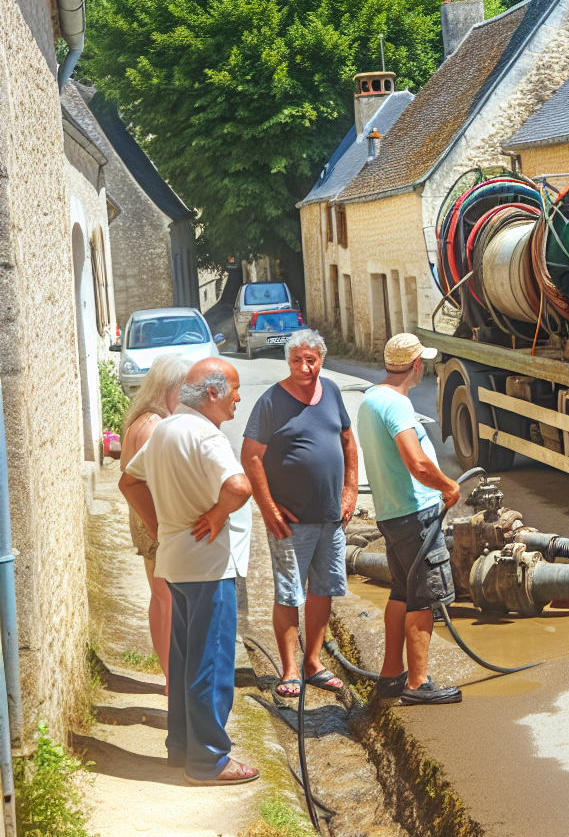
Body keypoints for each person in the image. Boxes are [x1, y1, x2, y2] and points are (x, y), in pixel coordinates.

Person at [119, 358, 259, 784]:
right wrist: (218, 515)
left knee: (183, 662)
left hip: (176, 563)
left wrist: (159, 526)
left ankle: (181, 748)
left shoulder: (166, 428)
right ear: (213, 393)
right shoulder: (206, 435)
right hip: (208, 566)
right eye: (234, 389)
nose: (239, 397)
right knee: (211, 662)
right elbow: (240, 486)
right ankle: (209, 761)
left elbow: (129, 482)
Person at [241, 330, 358, 698]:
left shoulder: (333, 392)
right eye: (296, 360)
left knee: (324, 589)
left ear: (321, 359)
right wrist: (268, 508)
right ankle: (290, 669)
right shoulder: (272, 401)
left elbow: (347, 441)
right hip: (290, 522)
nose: (305, 367)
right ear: (287, 362)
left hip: (331, 518)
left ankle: (313, 663)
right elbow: (251, 456)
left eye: (311, 360)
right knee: (290, 593)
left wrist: (350, 490)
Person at [356, 334, 462, 705]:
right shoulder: (397, 406)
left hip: (392, 514)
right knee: (424, 597)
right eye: (424, 362)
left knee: (401, 592)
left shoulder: (371, 400)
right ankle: (417, 684)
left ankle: (390, 677)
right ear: (417, 365)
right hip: (415, 514)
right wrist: (448, 486)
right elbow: (416, 462)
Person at [118, 354, 190, 694]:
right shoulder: (154, 426)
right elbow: (150, 482)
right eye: (183, 389)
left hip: (145, 517)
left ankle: (168, 674)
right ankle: (171, 676)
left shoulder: (140, 419)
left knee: (160, 598)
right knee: (166, 600)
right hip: (154, 520)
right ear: (170, 388)